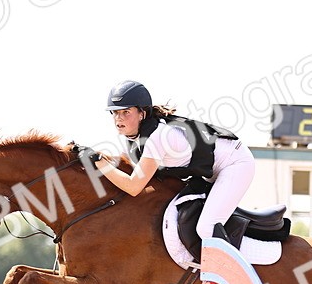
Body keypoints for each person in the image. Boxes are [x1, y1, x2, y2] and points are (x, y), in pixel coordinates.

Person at [91, 80, 255, 255]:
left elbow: (133, 186)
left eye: (126, 112)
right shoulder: (135, 139)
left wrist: (98, 162)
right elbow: (125, 172)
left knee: (206, 229)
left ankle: (240, 277)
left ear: (142, 113)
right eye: (115, 113)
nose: (119, 118)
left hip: (235, 164)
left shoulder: (157, 137)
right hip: (211, 172)